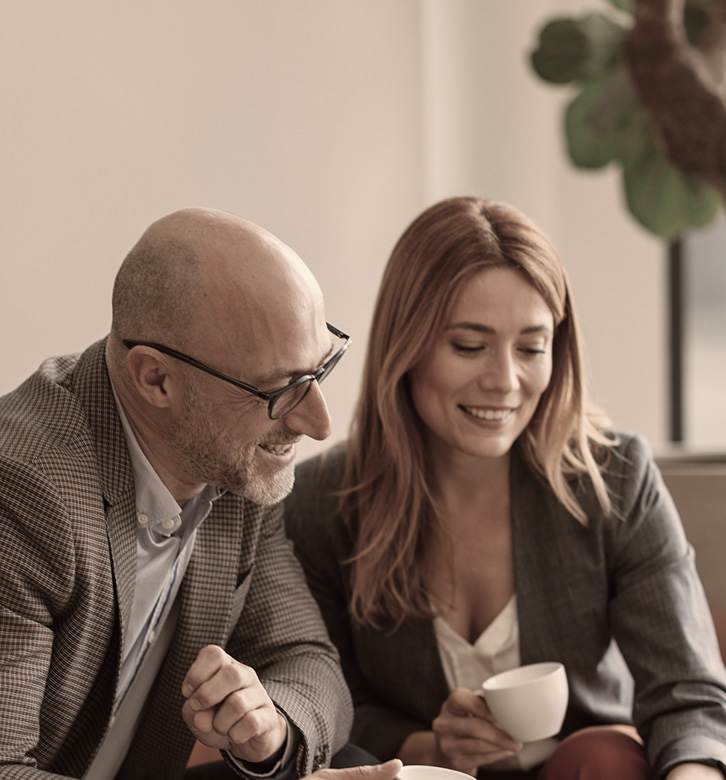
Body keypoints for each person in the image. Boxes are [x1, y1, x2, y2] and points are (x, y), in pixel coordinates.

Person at [0, 207, 363, 780]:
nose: (318, 423)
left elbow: (308, 661)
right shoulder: (2, 494)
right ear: (156, 378)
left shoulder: (233, 463)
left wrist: (271, 728)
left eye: (321, 371)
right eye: (282, 389)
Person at [284, 196, 726, 780]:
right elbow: (327, 707)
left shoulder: (615, 480)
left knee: (604, 759)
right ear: (406, 345)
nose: (505, 381)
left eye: (532, 347)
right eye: (469, 345)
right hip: (416, 775)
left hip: (586, 772)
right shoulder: (323, 501)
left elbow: (688, 698)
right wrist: (429, 748)